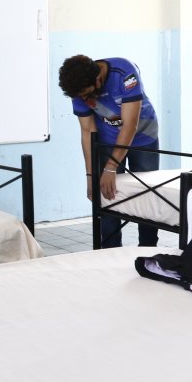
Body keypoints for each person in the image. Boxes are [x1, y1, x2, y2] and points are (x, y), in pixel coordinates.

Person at [58, 55, 160, 247]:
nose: (85, 100)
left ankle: (148, 248)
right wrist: (91, 176)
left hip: (143, 136)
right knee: (106, 193)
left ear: (98, 79)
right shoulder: (79, 88)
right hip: (107, 139)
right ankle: (110, 249)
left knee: (146, 193)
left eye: (88, 94)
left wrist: (110, 168)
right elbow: (88, 132)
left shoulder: (123, 72)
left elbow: (130, 125)